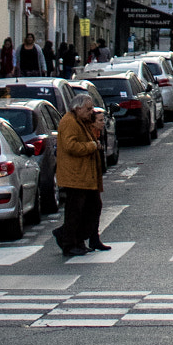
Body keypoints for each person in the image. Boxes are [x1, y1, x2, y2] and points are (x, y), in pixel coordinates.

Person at [55, 93, 108, 257]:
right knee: (75, 211)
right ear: (77, 108)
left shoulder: (80, 120)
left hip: (84, 175)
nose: (91, 112)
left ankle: (77, 239)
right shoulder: (69, 122)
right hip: (75, 176)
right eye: (88, 108)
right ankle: (69, 243)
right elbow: (71, 146)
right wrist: (91, 146)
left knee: (91, 208)